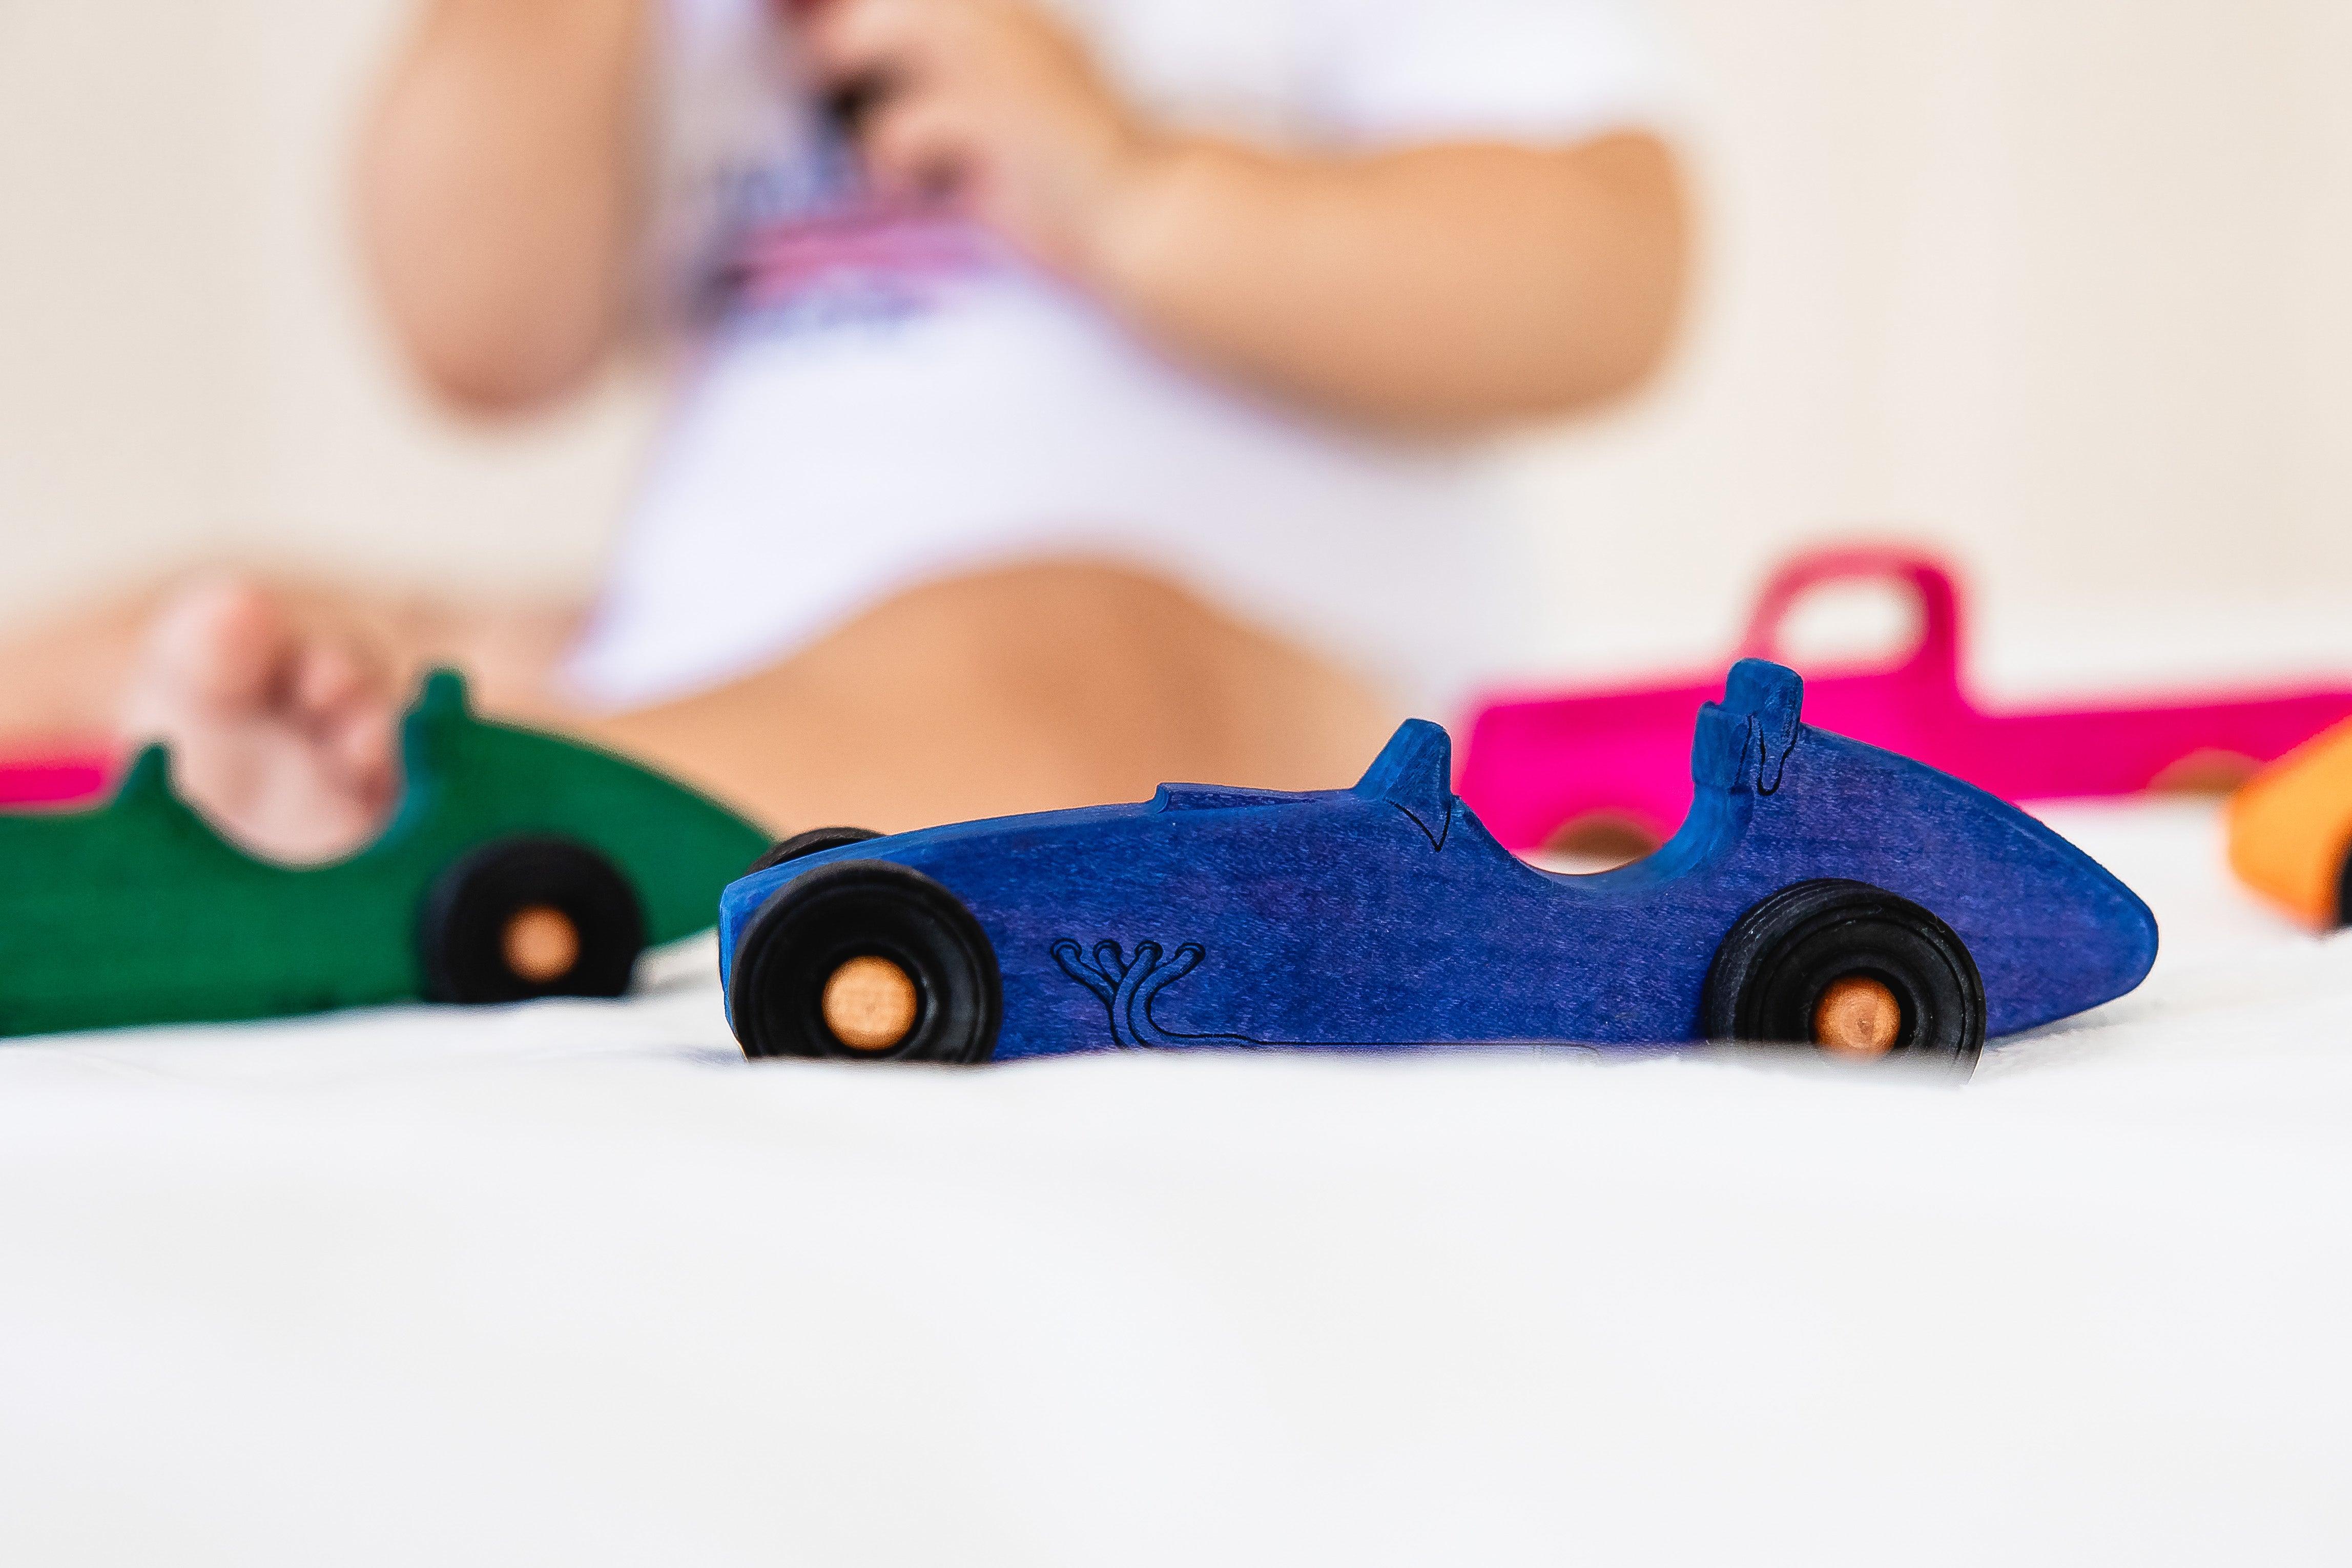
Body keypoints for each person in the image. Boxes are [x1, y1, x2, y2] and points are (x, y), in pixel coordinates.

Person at [1, 0, 1687, 862]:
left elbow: (1610, 270)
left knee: (1054, 646)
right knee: (246, 616)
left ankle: (429, 816)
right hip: (690, 649)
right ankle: (444, 758)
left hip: (1249, 668)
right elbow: (477, 341)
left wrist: (1134, 184)